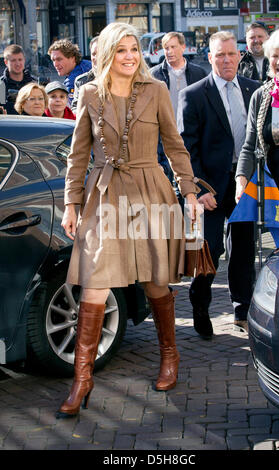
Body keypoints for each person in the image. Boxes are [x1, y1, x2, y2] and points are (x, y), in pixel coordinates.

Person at [57, 22, 202, 419]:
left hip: (149, 190)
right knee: (95, 282)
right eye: (120, 50)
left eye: (134, 49)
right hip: (103, 196)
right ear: (106, 54)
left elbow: (174, 145)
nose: (129, 56)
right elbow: (77, 156)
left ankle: (169, 356)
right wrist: (71, 204)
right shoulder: (89, 93)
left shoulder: (155, 91)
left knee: (155, 278)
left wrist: (188, 191)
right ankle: (82, 378)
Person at [178, 31, 260, 338]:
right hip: (210, 189)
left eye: (231, 54)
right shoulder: (194, 94)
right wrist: (198, 190)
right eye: (220, 55)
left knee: (243, 250)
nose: (227, 60)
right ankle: (200, 305)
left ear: (239, 56)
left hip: (244, 188)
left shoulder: (254, 90)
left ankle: (242, 309)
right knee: (208, 251)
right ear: (209, 58)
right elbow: (187, 148)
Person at [236, 28, 279, 232]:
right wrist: (241, 179)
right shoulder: (261, 96)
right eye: (275, 56)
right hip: (275, 187)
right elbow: (250, 145)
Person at [151, 32, 206, 183]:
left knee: (193, 180)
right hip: (164, 138)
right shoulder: (154, 75)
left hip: (192, 137)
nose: (169, 52)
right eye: (166, 48)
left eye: (173, 47)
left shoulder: (199, 73)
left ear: (183, 47)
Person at [48, 39, 91, 105]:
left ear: (73, 59)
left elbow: (68, 108)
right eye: (53, 60)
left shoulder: (72, 80)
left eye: (59, 59)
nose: (55, 64)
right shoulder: (87, 64)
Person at [0, 44, 36, 114]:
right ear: (6, 62)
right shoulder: (1, 86)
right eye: (13, 60)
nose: (18, 63)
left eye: (20, 59)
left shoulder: (33, 84)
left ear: (24, 60)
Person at [71, 36, 98, 113]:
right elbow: (75, 108)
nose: (96, 57)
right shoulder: (81, 81)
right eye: (93, 54)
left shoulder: (120, 79)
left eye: (100, 53)